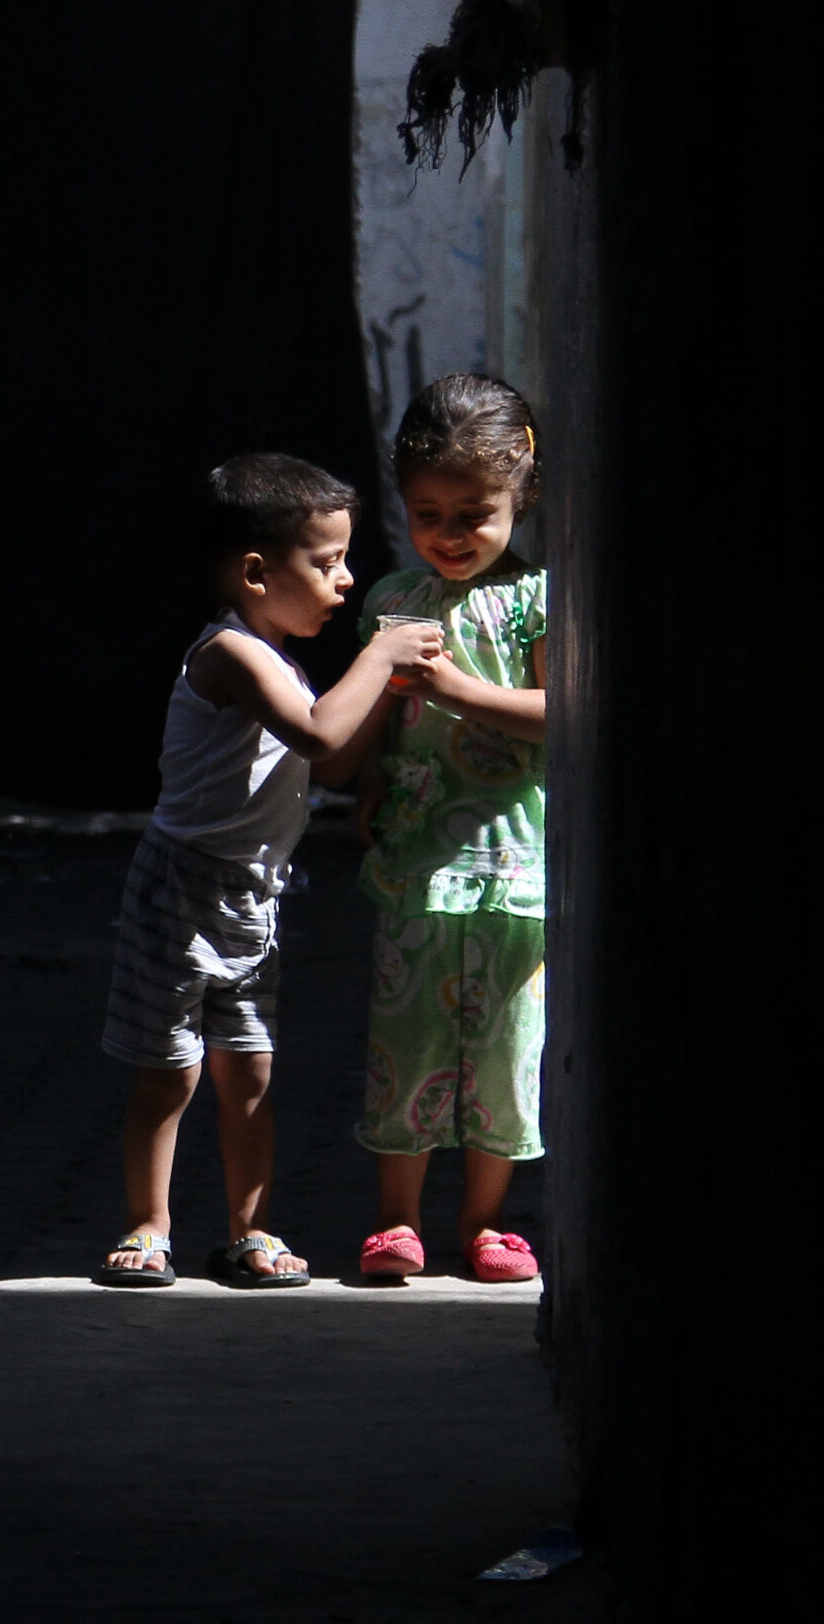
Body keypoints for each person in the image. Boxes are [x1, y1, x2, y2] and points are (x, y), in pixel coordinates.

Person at [95, 455, 443, 1289]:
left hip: (252, 897)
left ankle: (251, 1229)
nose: (346, 578)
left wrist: (393, 693)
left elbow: (327, 766)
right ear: (256, 572)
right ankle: (149, 1223)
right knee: (170, 1070)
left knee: (249, 1072)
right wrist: (385, 650)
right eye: (327, 562)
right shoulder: (231, 654)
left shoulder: (280, 659)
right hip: (181, 890)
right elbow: (321, 736)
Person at [350, 373, 549, 1282]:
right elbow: (380, 721)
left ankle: (486, 1221)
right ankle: (396, 1219)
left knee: (506, 1052)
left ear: (521, 495)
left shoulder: (537, 598)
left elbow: (561, 712)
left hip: (516, 864)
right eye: (430, 512)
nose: (451, 534)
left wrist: (460, 692)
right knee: (408, 1042)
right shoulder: (395, 598)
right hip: (421, 861)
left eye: (475, 513)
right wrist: (365, 787)